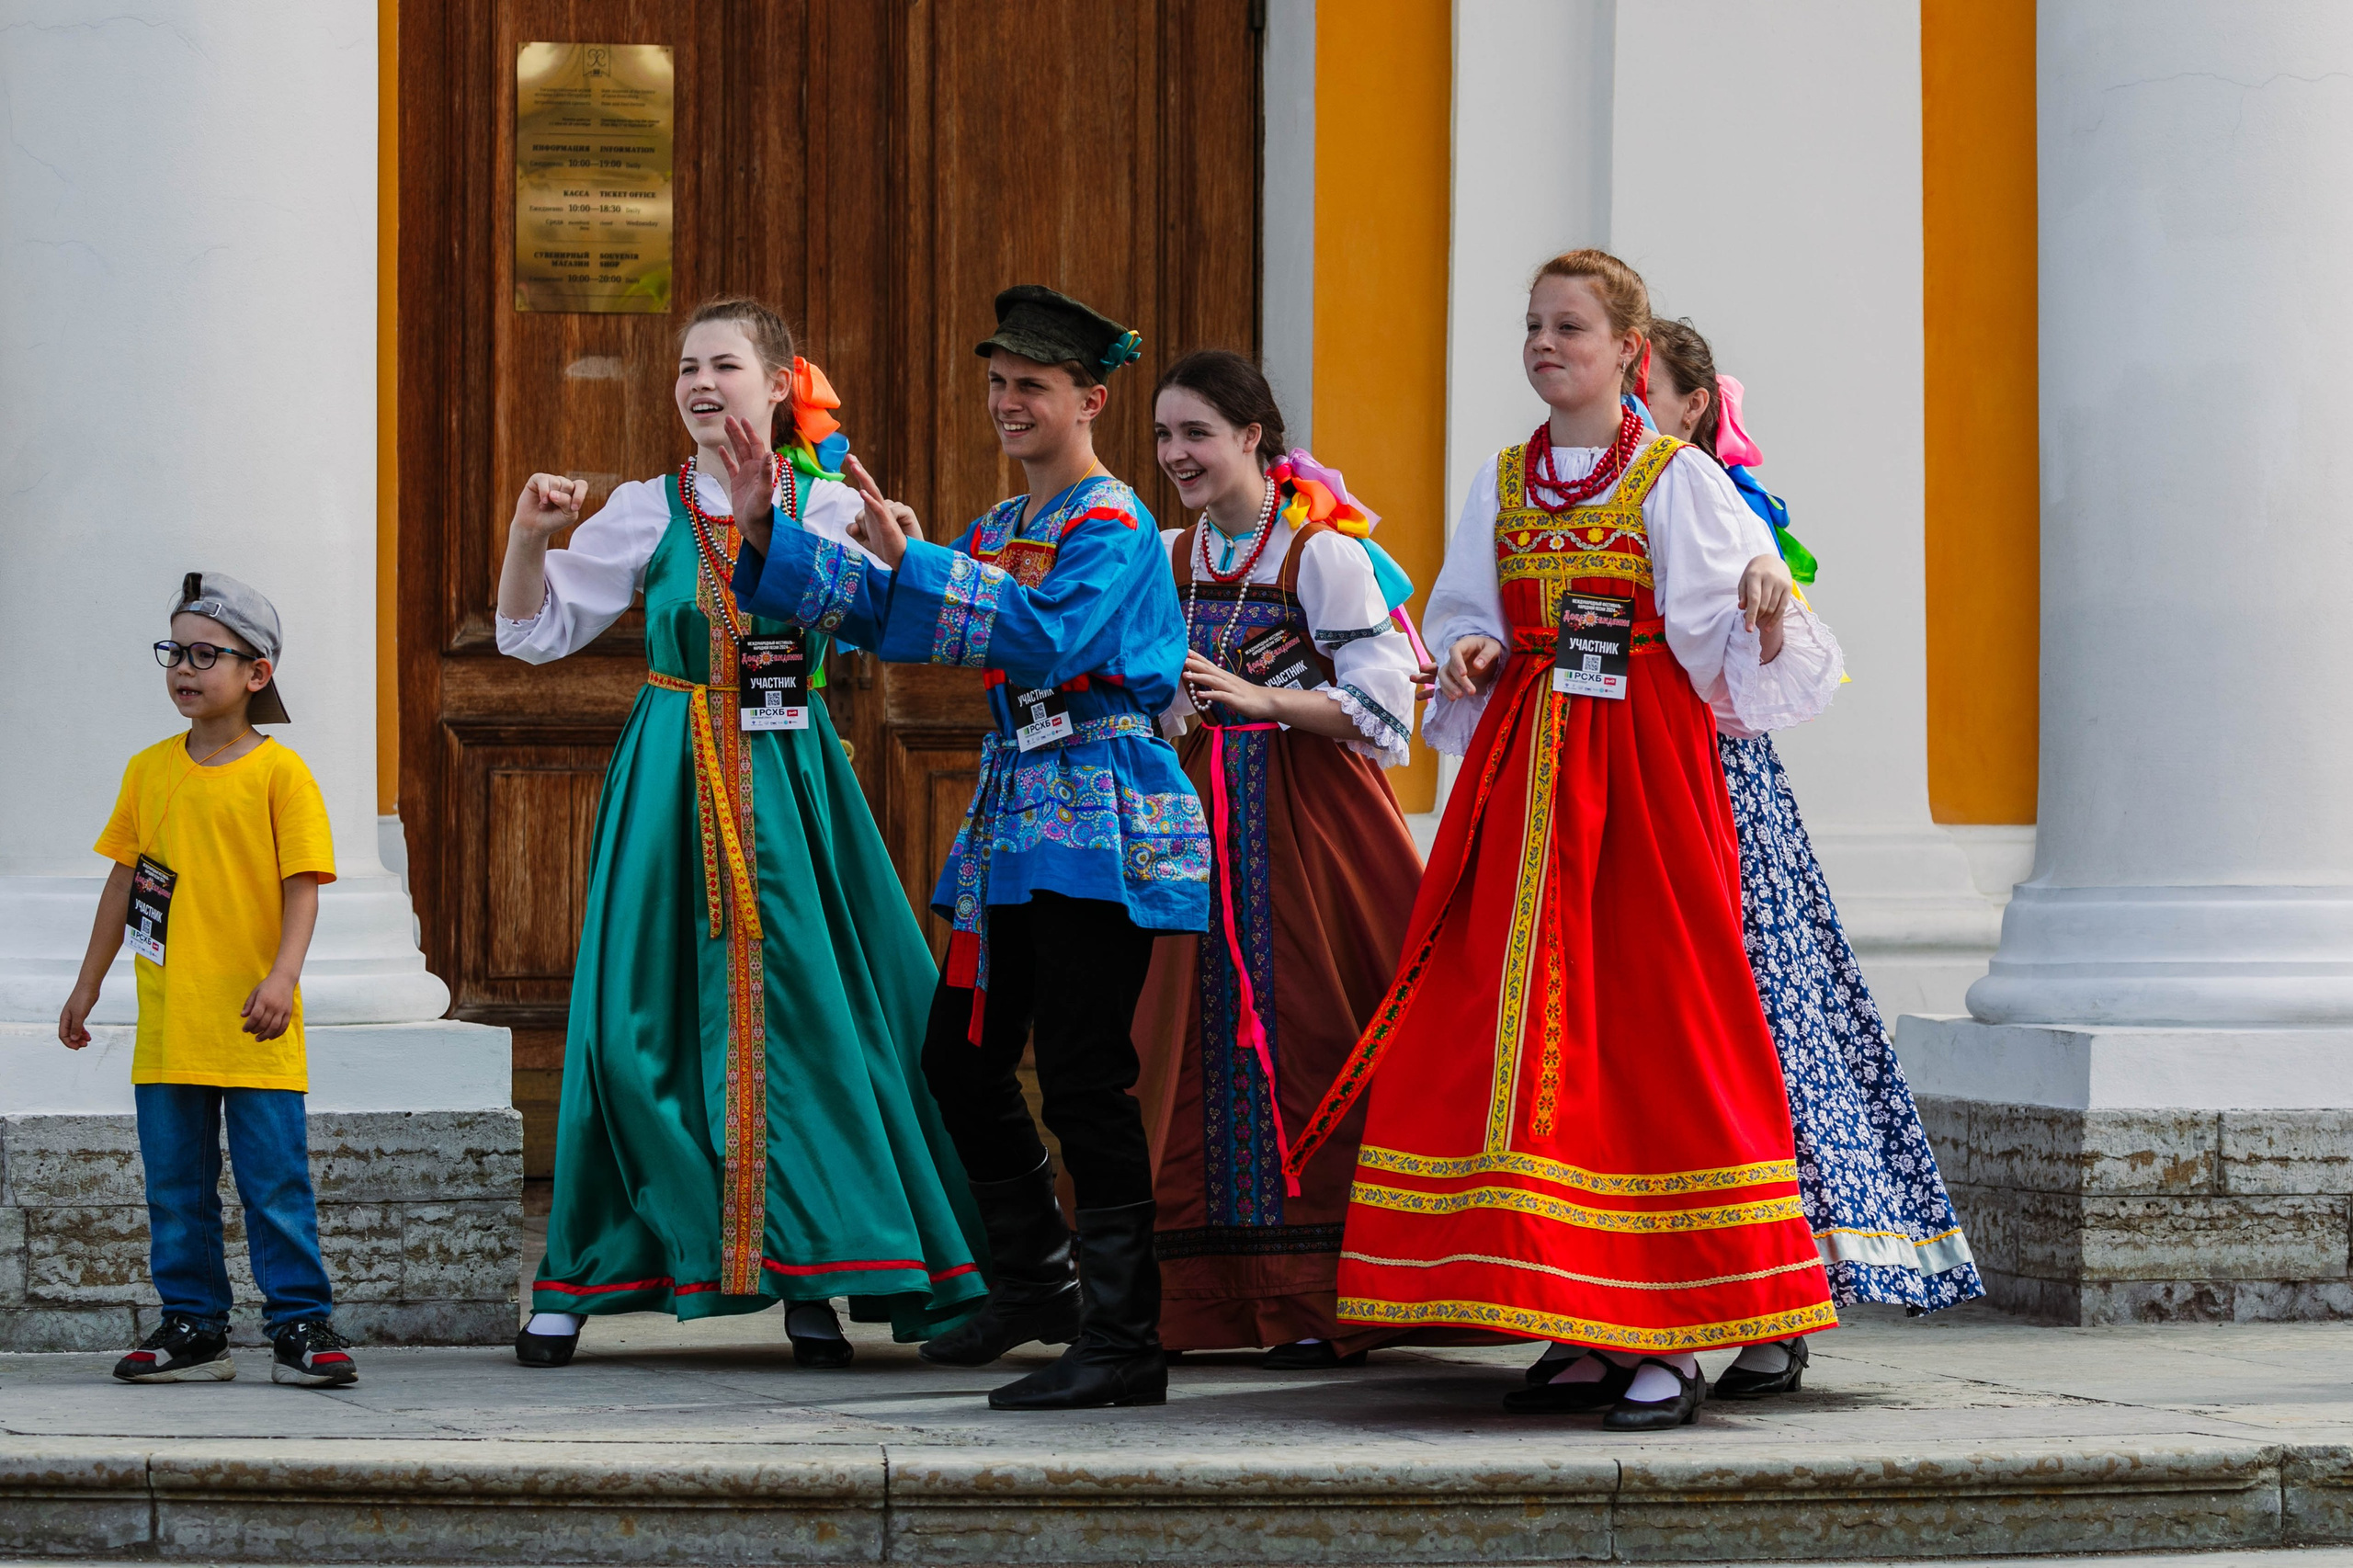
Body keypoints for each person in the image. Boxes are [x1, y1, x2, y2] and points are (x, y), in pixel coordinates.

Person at [1281, 251, 1845, 1431]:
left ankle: (1669, 1332)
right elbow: (1462, 618)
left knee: (1645, 1023)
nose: (1544, 343)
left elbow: (1750, 625)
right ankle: (1572, 1317)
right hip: (1522, 782)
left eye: (1569, 326)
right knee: (1515, 1033)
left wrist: (1762, 588)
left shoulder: (1674, 480)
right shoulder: (1502, 479)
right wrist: (1477, 651)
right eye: (1533, 325)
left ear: (1626, 350)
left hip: (1637, 784)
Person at [724, 285, 1210, 1411]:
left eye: (1031, 386)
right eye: (997, 384)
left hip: (1102, 819)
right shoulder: (999, 527)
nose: (1007, 403)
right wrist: (769, 535)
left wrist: (926, 562)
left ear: (1089, 399)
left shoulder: (1114, 524)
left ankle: (1124, 1335)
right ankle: (1036, 1278)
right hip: (1014, 824)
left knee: (1087, 1075)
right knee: (960, 1056)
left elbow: (1043, 635)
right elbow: (900, 610)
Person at [495, 295, 985, 1369]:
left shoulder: (825, 505)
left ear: (778, 383)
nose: (700, 382)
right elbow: (532, 633)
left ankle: (812, 1271)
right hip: (671, 778)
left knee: (817, 1023)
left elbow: (895, 619)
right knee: (633, 1031)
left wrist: (897, 555)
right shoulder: (644, 505)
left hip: (793, 779)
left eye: (724, 363)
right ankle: (586, 1272)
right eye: (685, 367)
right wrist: (531, 535)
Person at [1583, 317, 1982, 1395]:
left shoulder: (1715, 497)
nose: (1619, 413)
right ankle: (1610, 1297)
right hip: (1607, 786)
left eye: (1639, 391)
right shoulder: (1567, 490)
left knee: (1754, 1024)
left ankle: (1770, 1297)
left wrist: (1763, 576)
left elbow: (1761, 583)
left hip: (1715, 796)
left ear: (1689, 406)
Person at [1138, 350, 1422, 1368]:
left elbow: (1388, 701)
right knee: (1188, 1043)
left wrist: (1265, 702)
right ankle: (1202, 1301)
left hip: (1309, 824)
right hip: (1193, 820)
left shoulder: (1319, 558)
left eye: (1196, 434)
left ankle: (1317, 1295)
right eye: (1165, 435)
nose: (1176, 453)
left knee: (1311, 1029)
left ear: (1253, 435)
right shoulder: (1165, 555)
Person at [59, 573, 354, 1388]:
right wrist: (87, 985)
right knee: (175, 1189)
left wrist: (282, 978)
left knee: (276, 1184)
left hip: (254, 1018)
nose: (184, 670)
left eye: (204, 655)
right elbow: (125, 886)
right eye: (173, 653)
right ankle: (194, 1325)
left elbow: (304, 884)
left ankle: (300, 1323)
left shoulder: (279, 774)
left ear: (257, 673)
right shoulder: (149, 771)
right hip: (169, 1022)